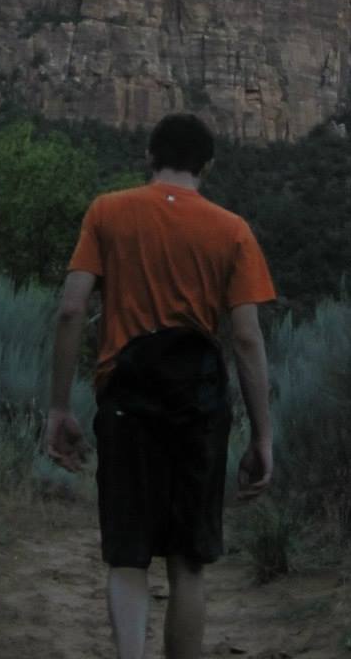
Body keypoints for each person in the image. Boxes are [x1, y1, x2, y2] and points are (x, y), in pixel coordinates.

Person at [44, 112, 276, 659]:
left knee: (127, 556)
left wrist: (58, 407)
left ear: (149, 156)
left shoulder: (106, 212)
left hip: (126, 401)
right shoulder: (233, 230)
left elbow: (71, 309)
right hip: (199, 405)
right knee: (187, 562)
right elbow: (246, 339)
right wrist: (262, 435)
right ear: (207, 166)